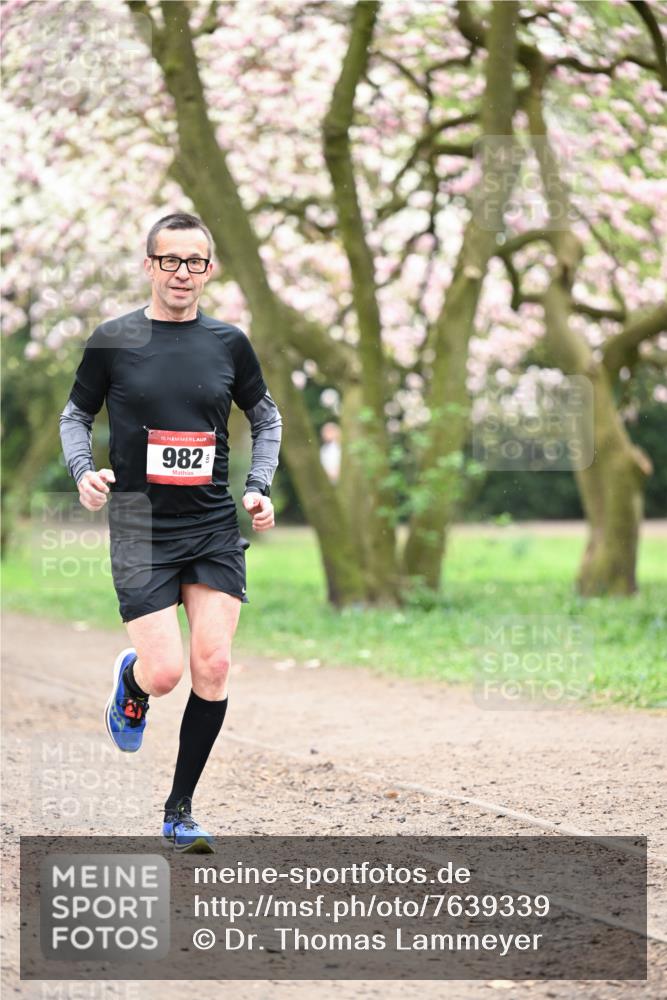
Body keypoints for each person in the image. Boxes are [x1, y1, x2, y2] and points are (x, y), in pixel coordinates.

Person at [59, 212, 282, 853]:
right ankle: (132, 684)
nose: (182, 272)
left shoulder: (229, 343)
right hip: (140, 524)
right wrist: (83, 472)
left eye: (194, 262)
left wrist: (258, 485)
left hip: (211, 524)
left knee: (213, 665)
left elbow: (267, 419)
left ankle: (179, 811)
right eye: (170, 260)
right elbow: (75, 415)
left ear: (209, 270)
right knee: (165, 674)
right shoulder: (113, 340)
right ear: (149, 266)